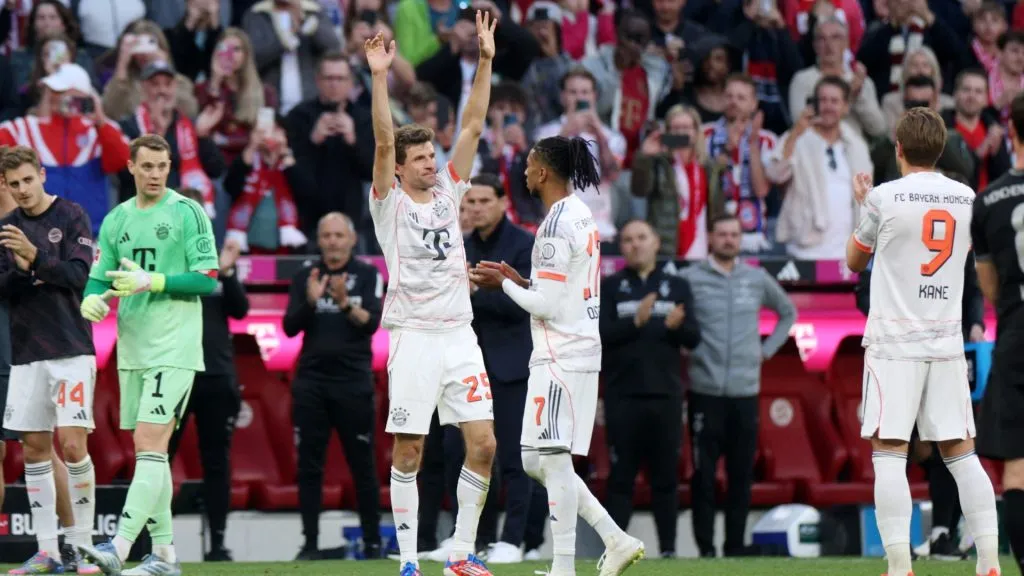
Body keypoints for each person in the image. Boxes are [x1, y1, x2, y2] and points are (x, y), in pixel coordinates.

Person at [468, 135, 645, 576]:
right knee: (536, 458)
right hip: (577, 347)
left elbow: (545, 306)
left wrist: (502, 285)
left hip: (559, 355)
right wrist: (519, 278)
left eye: (528, 165)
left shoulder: (551, 227)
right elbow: (555, 292)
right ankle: (615, 539)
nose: (524, 172)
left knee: (550, 458)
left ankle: (565, 565)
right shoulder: (581, 214)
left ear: (543, 172)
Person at [364, 14, 498, 576]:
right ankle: (409, 560)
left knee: (485, 445)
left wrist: (486, 60)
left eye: (429, 155)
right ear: (400, 167)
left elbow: (471, 123)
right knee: (410, 450)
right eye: (417, 157)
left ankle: (462, 554)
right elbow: (381, 137)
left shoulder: (449, 190)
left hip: (458, 335)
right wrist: (379, 76)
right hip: (413, 337)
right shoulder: (387, 203)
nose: (428, 161)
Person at [846, 107, 1000, 576]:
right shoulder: (967, 198)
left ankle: (898, 567)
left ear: (898, 148)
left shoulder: (882, 197)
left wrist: (862, 205)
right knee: (961, 452)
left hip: (894, 343)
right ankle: (990, 563)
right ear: (941, 149)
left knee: (889, 452)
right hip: (946, 342)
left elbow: (855, 262)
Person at [76, 134, 219, 576]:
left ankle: (119, 547)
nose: (156, 174)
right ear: (132, 168)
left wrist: (153, 282)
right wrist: (91, 300)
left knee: (149, 444)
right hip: (133, 347)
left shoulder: (186, 212)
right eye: (148, 166)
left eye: (162, 166)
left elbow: (207, 278)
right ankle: (165, 556)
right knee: (148, 453)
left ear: (170, 167)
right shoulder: (116, 220)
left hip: (174, 346)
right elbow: (100, 276)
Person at [0, 146, 99, 575]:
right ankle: (48, 551)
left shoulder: (71, 215)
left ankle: (85, 548)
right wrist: (23, 271)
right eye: (13, 184)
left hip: (70, 348)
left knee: (73, 445)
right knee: (34, 449)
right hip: (25, 354)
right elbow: (4, 289)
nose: (22, 190)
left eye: (27, 180)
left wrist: (35, 258)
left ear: (41, 174)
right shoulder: (6, 228)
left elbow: (79, 276)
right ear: (5, 186)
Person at [680, 214, 796, 558]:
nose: (729, 240)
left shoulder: (756, 278)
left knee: (740, 475)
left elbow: (788, 312)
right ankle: (704, 550)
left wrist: (766, 350)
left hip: (746, 392)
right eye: (722, 234)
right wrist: (689, 347)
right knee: (703, 476)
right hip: (704, 390)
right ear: (711, 238)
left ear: (740, 239)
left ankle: (733, 548)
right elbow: (674, 319)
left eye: (734, 234)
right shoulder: (690, 278)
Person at [282, 212, 383, 561]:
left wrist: (342, 302)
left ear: (353, 239)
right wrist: (311, 300)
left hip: (353, 382)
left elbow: (371, 324)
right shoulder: (304, 276)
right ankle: (309, 544)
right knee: (309, 467)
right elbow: (290, 329)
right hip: (311, 383)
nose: (333, 242)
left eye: (339, 235)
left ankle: (372, 544)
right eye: (326, 236)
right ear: (319, 240)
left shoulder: (368, 275)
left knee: (363, 465)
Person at [600, 219, 701, 558]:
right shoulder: (610, 287)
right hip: (622, 397)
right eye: (628, 240)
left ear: (657, 242)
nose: (635, 244)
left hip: (666, 397)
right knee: (621, 479)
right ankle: (614, 552)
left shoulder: (677, 285)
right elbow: (600, 335)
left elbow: (694, 338)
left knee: (665, 480)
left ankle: (670, 551)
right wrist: (636, 322)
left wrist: (677, 328)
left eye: (642, 237)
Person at [166, 189, 249, 563]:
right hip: (174, 370)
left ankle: (218, 543)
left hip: (215, 375)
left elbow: (240, 309)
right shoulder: (167, 260)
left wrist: (228, 272)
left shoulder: (217, 261)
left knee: (218, 462)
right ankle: (157, 544)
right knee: (158, 456)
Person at [972, 92, 1024, 575]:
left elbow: (989, 289)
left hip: (1015, 334)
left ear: (1011, 134)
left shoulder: (987, 201)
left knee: (1016, 465)